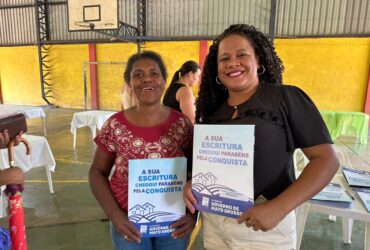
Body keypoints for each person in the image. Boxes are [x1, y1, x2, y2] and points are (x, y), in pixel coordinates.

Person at [183, 24, 339, 249]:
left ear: (258, 60)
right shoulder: (213, 111)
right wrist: (194, 184)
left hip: (263, 223)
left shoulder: (285, 98)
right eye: (224, 58)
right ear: (216, 69)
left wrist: (280, 207)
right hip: (215, 221)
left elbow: (326, 159)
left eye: (242, 55)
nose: (232, 63)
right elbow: (217, 166)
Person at [89, 51, 196, 250]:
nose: (146, 78)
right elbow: (97, 172)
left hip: (175, 223)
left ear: (164, 81)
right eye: (138, 74)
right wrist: (114, 215)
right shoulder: (115, 125)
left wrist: (193, 214)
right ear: (129, 84)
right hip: (128, 224)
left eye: (154, 73)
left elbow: (198, 172)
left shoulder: (182, 125)